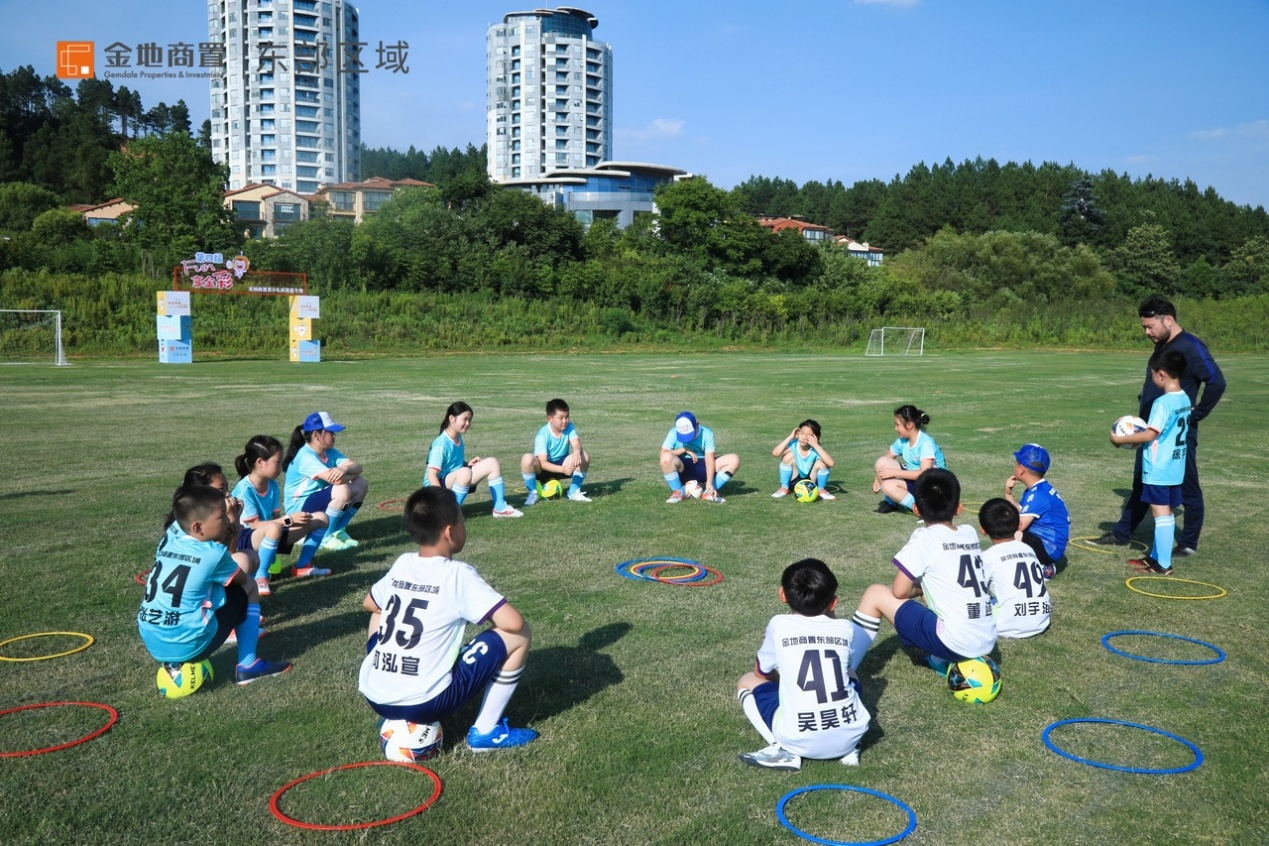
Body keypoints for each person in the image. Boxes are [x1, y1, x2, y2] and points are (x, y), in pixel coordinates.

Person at [358, 486, 537, 751]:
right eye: (462, 521)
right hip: (425, 702)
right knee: (519, 636)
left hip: (376, 695)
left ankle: (395, 698)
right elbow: (513, 622)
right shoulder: (457, 574)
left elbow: (369, 604)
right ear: (450, 532)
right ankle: (486, 732)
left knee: (379, 610)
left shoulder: (403, 563)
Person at [1093, 296, 1224, 556]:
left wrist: (1194, 416)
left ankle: (1188, 544)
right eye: (1144, 326)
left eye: (1150, 326)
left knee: (1187, 486)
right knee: (1142, 484)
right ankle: (1121, 535)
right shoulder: (1163, 344)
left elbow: (1216, 382)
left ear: (1168, 320)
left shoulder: (1190, 346)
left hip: (1174, 436)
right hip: (1150, 433)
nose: (1146, 332)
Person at [848, 468, 996, 679]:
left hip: (957, 642)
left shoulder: (924, 538)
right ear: (959, 508)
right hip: (987, 638)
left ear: (916, 509)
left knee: (875, 594)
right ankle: (938, 660)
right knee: (936, 594)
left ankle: (844, 668)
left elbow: (899, 591)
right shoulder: (969, 533)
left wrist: (920, 589)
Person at [139, 484, 291, 687]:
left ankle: (176, 661)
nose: (227, 520)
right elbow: (240, 580)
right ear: (197, 527)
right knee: (250, 587)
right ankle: (248, 665)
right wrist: (233, 531)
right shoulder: (212, 554)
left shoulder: (171, 534)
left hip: (153, 641)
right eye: (222, 517)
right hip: (189, 645)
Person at [735, 558, 870, 771]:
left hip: (799, 737)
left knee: (746, 681)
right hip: (852, 734)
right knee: (851, 673)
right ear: (834, 603)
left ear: (782, 594)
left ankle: (780, 747)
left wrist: (783, 680)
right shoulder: (845, 628)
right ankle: (850, 749)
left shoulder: (779, 625)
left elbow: (761, 672)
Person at [1108, 349, 1191, 575]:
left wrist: (1120, 439)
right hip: (1176, 466)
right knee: (1168, 511)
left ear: (1161, 375)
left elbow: (1149, 434)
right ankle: (1155, 557)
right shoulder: (1184, 398)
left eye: (1153, 373)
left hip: (1159, 467)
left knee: (1160, 513)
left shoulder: (1162, 403)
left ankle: (1163, 564)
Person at [232, 435, 327, 595]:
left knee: (320, 518)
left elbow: (276, 516)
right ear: (260, 462)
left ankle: (303, 566)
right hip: (244, 540)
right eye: (277, 462)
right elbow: (254, 525)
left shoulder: (273, 485)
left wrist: (295, 519)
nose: (281, 466)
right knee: (275, 528)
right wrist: (289, 519)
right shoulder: (245, 489)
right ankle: (260, 578)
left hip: (270, 533)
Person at [282, 411, 369, 577]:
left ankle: (338, 530)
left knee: (361, 484)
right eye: (330, 432)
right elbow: (335, 480)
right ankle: (326, 537)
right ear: (317, 435)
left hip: (318, 500)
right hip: (299, 508)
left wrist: (343, 469)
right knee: (342, 489)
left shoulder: (329, 451)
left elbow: (358, 467)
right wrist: (346, 473)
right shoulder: (306, 456)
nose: (334, 435)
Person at [425, 401, 523, 518]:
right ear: (452, 418)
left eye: (470, 420)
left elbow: (450, 464)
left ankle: (500, 508)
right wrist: (441, 499)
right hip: (434, 488)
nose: (467, 423)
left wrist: (466, 463)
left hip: (453, 478)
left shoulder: (458, 437)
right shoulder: (441, 443)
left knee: (492, 462)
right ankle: (449, 513)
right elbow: (431, 475)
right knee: (465, 472)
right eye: (465, 419)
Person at [978, 498, 1051, 639]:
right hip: (1041, 619)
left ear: (983, 530)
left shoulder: (988, 557)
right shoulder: (1028, 550)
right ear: (1019, 525)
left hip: (1008, 625)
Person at [1003, 443, 1070, 579]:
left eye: (1016, 462)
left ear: (1021, 469)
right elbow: (1021, 512)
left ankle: (1044, 566)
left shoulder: (1038, 495)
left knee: (1011, 533)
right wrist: (1008, 494)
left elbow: (1019, 525)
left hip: (1050, 547)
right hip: (1047, 542)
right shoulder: (1037, 490)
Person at [873, 404, 946, 514]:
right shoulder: (902, 441)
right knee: (881, 463)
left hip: (933, 485)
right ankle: (892, 503)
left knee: (888, 484)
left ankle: (922, 509)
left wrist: (893, 472)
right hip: (916, 481)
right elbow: (885, 460)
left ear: (910, 425)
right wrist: (877, 479)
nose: (895, 428)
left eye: (897, 425)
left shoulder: (926, 443)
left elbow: (924, 474)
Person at [521, 398, 592, 505]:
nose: (565, 421)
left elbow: (576, 443)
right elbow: (543, 462)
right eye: (561, 418)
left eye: (567, 417)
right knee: (527, 459)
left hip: (562, 464)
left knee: (584, 456)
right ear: (550, 418)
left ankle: (573, 492)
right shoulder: (543, 434)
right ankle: (533, 493)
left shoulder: (569, 427)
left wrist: (577, 451)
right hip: (543, 470)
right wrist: (562, 469)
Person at [659, 411, 741, 504]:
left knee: (734, 460)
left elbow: (709, 459)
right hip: (683, 468)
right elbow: (663, 454)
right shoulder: (673, 432)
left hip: (703, 467)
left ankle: (709, 491)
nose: (688, 439)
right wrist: (684, 449)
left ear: (697, 424)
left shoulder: (707, 433)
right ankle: (679, 492)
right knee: (666, 457)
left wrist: (709, 482)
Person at [769, 419, 838, 501]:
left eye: (808, 435)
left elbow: (831, 463)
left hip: (810, 484)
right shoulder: (794, 445)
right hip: (795, 481)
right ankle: (784, 488)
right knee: (788, 456)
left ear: (815, 437)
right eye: (802, 433)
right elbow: (775, 453)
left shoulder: (816, 449)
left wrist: (816, 445)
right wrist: (790, 437)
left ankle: (821, 490)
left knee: (822, 463)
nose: (803, 437)